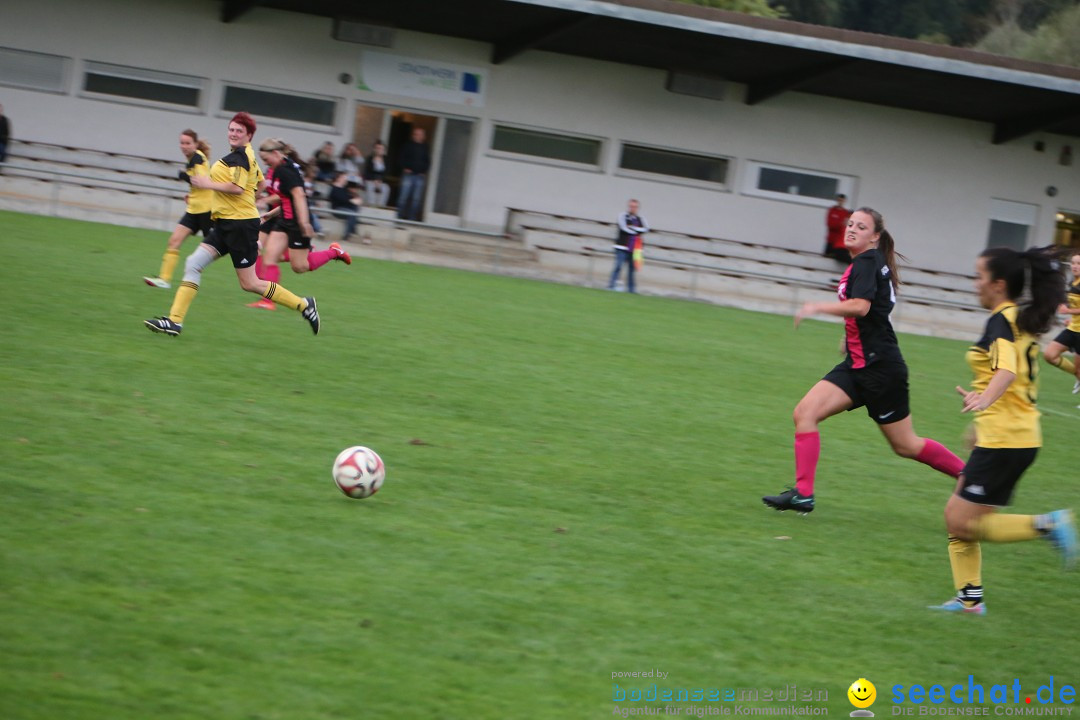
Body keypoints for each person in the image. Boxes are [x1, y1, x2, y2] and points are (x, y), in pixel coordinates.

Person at [762, 207, 966, 514]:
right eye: (850, 224)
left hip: (881, 369)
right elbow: (873, 311)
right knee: (805, 413)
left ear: (875, 237)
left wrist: (817, 307)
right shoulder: (866, 263)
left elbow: (862, 307)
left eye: (861, 226)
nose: (852, 229)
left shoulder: (869, 261)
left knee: (906, 445)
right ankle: (803, 494)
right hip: (858, 365)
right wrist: (850, 335)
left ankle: (970, 477)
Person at [929, 246, 1076, 614]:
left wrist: (985, 401)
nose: (975, 283)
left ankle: (1047, 525)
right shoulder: (1017, 317)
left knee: (964, 522)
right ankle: (969, 600)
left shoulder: (1001, 321)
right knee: (957, 515)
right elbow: (1013, 375)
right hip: (1013, 434)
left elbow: (1007, 371)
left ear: (997, 284)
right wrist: (984, 406)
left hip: (1006, 439)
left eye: (979, 276)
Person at [144, 112, 320, 337]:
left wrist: (208, 184)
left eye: (239, 131)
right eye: (231, 129)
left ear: (249, 135)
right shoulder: (245, 156)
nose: (233, 133)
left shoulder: (241, 158)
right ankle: (174, 321)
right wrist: (250, 199)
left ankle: (304, 306)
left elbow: (236, 187)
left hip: (239, 227)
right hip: (226, 223)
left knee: (251, 284)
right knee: (193, 263)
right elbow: (261, 183)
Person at [246, 139, 351, 311]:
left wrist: (303, 222)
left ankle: (334, 252)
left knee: (299, 267)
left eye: (266, 159)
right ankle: (267, 301)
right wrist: (270, 215)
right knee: (270, 257)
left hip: (296, 223)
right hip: (283, 221)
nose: (266, 163)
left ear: (276, 154)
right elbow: (285, 199)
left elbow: (300, 196)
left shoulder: (287, 171)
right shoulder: (279, 168)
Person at [142, 130, 213, 289]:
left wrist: (182, 176)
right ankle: (164, 279)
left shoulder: (197, 157)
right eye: (182, 143)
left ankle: (249, 246)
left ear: (195, 144)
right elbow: (198, 185)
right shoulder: (193, 159)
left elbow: (201, 181)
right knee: (174, 241)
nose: (184, 146)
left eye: (188, 143)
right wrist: (190, 195)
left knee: (219, 246)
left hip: (206, 210)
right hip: (194, 209)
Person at [1042, 251, 1080, 394]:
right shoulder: (1072, 283)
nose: (1075, 266)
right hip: (1072, 328)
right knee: (1049, 355)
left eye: (1079, 263)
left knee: (1079, 369)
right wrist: (1072, 318)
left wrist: (1068, 312)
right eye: (1073, 263)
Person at [607, 199, 650, 293]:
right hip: (622, 247)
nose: (632, 208)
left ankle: (631, 289)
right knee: (618, 266)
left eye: (635, 207)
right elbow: (623, 228)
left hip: (635, 249)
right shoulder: (622, 216)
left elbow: (646, 228)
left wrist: (633, 228)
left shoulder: (640, 219)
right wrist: (636, 231)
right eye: (631, 206)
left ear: (637, 208)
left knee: (632, 270)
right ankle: (611, 285)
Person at [396, 127, 430, 221]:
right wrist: (405, 168)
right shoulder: (407, 145)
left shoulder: (425, 147)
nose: (417, 136)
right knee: (403, 197)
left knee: (416, 199)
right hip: (408, 175)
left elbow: (427, 161)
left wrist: (424, 171)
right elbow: (401, 158)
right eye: (415, 134)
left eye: (420, 134)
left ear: (423, 136)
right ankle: (398, 217)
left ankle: (412, 218)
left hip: (419, 176)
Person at [329, 171, 362, 239]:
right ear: (338, 178)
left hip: (346, 208)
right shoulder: (334, 188)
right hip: (337, 209)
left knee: (355, 207)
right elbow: (341, 199)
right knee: (352, 213)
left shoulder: (344, 188)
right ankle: (347, 234)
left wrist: (356, 198)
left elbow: (350, 197)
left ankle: (353, 228)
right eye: (344, 177)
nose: (346, 179)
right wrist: (351, 200)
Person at [823, 193, 851, 262]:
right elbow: (830, 224)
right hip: (830, 239)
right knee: (826, 259)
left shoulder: (845, 212)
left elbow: (845, 226)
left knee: (836, 259)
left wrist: (839, 225)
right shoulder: (832, 210)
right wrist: (840, 225)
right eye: (839, 200)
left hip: (838, 241)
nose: (840, 202)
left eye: (842, 200)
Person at [363, 140, 390, 207]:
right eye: (377, 148)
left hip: (381, 181)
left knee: (386, 188)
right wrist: (374, 180)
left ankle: (380, 206)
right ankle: (371, 206)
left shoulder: (386, 160)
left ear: (384, 150)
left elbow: (386, 173)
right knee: (370, 186)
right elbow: (366, 172)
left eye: (381, 148)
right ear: (374, 149)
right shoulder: (369, 159)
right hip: (371, 180)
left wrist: (380, 181)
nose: (379, 150)